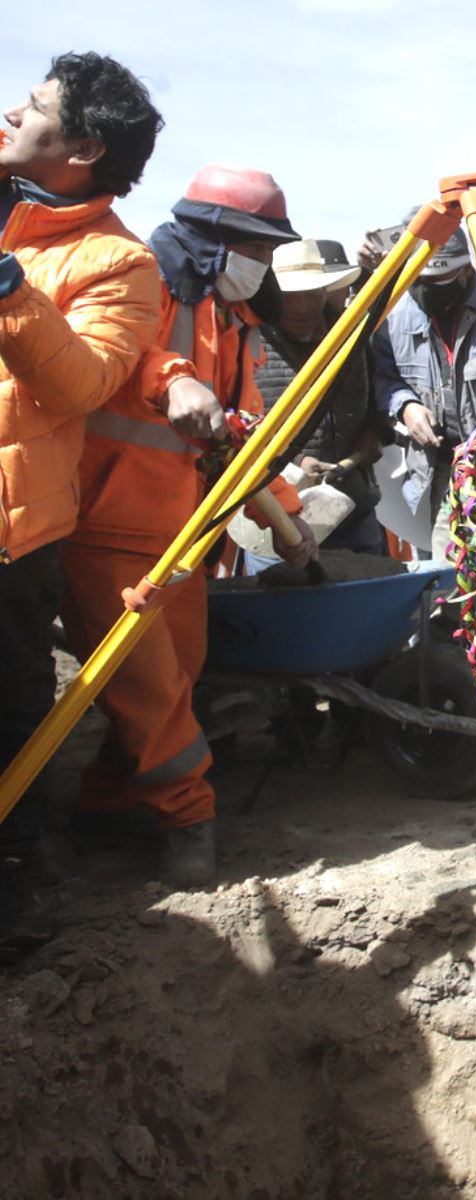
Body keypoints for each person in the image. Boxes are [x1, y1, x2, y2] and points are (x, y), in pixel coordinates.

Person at [62, 163, 314, 891]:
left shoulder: (231, 319)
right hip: (107, 521)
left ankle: (105, 803)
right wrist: (172, 377)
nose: (261, 265)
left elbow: (240, 437)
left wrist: (290, 522)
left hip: (184, 530)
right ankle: (187, 819)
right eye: (257, 248)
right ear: (213, 238)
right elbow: (119, 358)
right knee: (150, 689)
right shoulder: (139, 281)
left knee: (176, 677)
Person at [0, 51, 165, 955]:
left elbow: (80, 386)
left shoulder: (120, 264)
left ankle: (16, 882)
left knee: (10, 720)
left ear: (86, 147)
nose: (10, 115)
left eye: (31, 108)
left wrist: (5, 288)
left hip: (13, 534)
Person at [373, 228, 476, 558]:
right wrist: (405, 406)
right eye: (419, 279)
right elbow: (382, 378)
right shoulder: (392, 316)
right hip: (439, 469)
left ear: (466, 270)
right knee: (447, 568)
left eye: (437, 280)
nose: (425, 291)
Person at [258, 237, 385, 554]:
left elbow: (375, 404)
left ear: (325, 293)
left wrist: (373, 434)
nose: (301, 307)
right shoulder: (251, 344)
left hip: (355, 508)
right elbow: (242, 426)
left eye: (311, 294)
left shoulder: (352, 337)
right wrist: (296, 461)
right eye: (290, 296)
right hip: (277, 519)